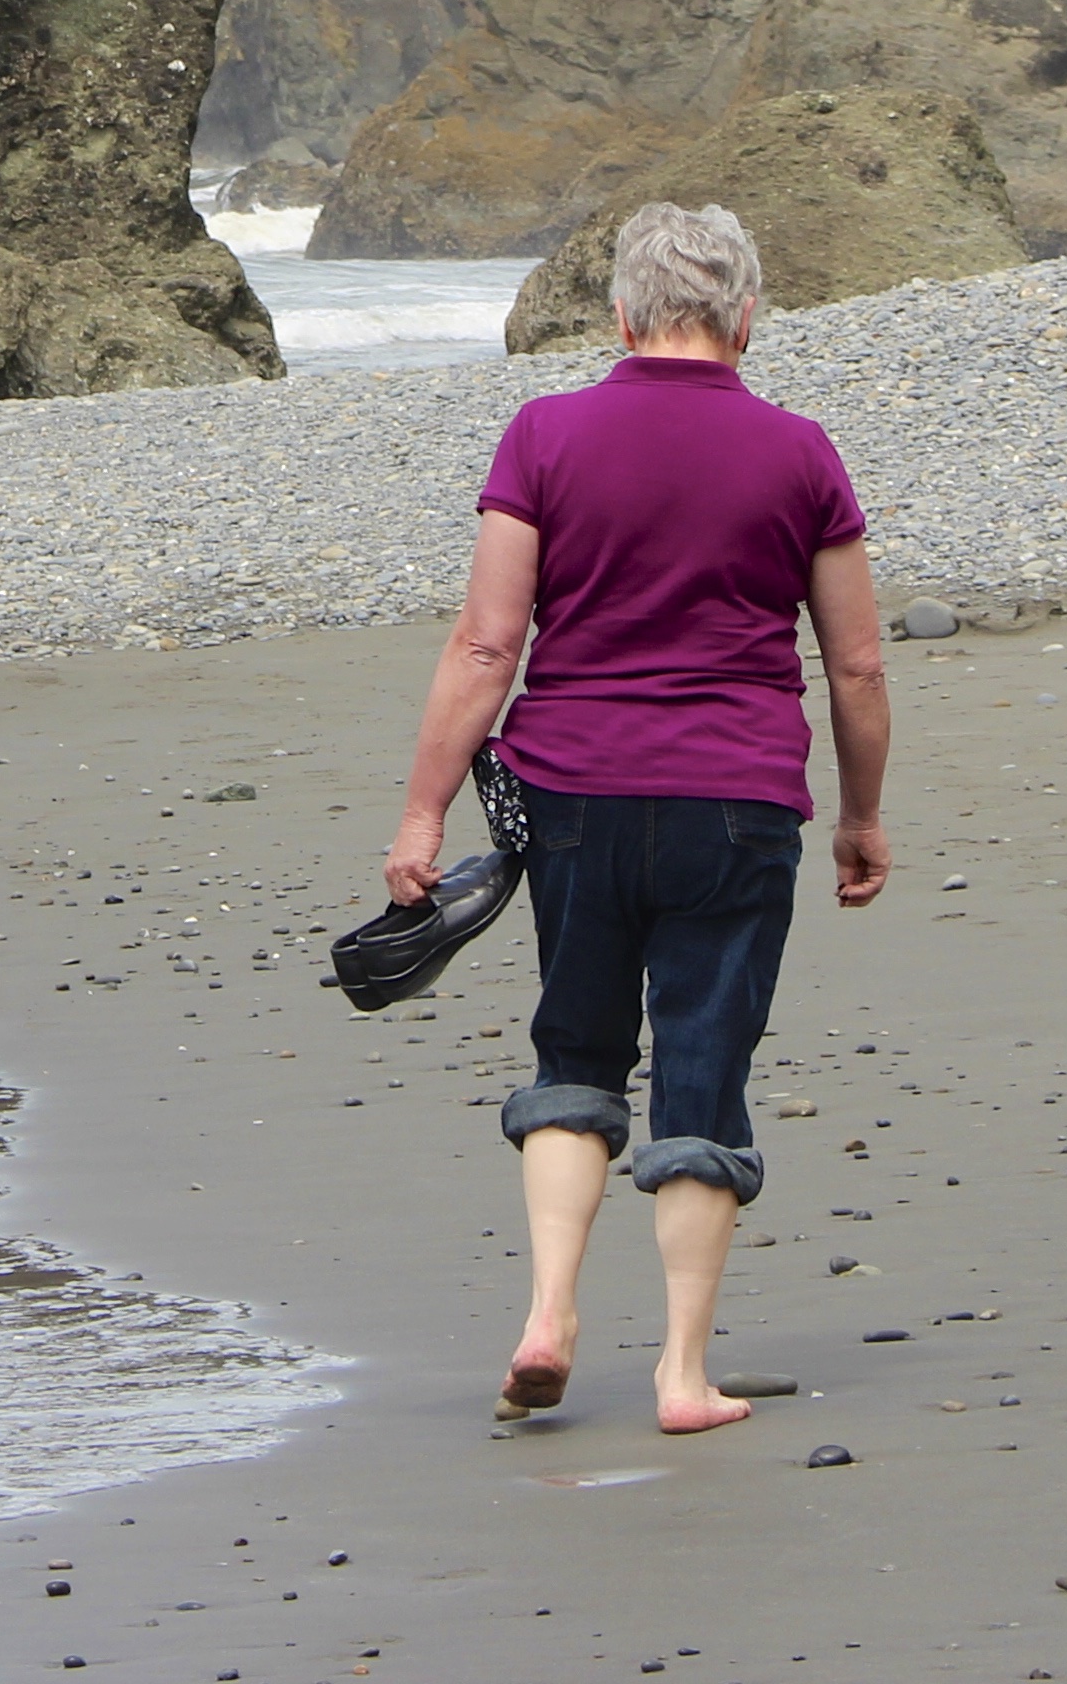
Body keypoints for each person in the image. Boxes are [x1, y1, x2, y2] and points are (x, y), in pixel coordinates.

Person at [380, 200, 894, 1432]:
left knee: (576, 1048)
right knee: (704, 1064)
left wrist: (422, 816)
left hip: (574, 792)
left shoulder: (545, 435)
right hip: (738, 798)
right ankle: (680, 1374)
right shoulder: (800, 453)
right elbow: (858, 664)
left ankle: (549, 1315)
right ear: (746, 318)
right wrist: (861, 817)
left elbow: (487, 643)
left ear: (620, 316)